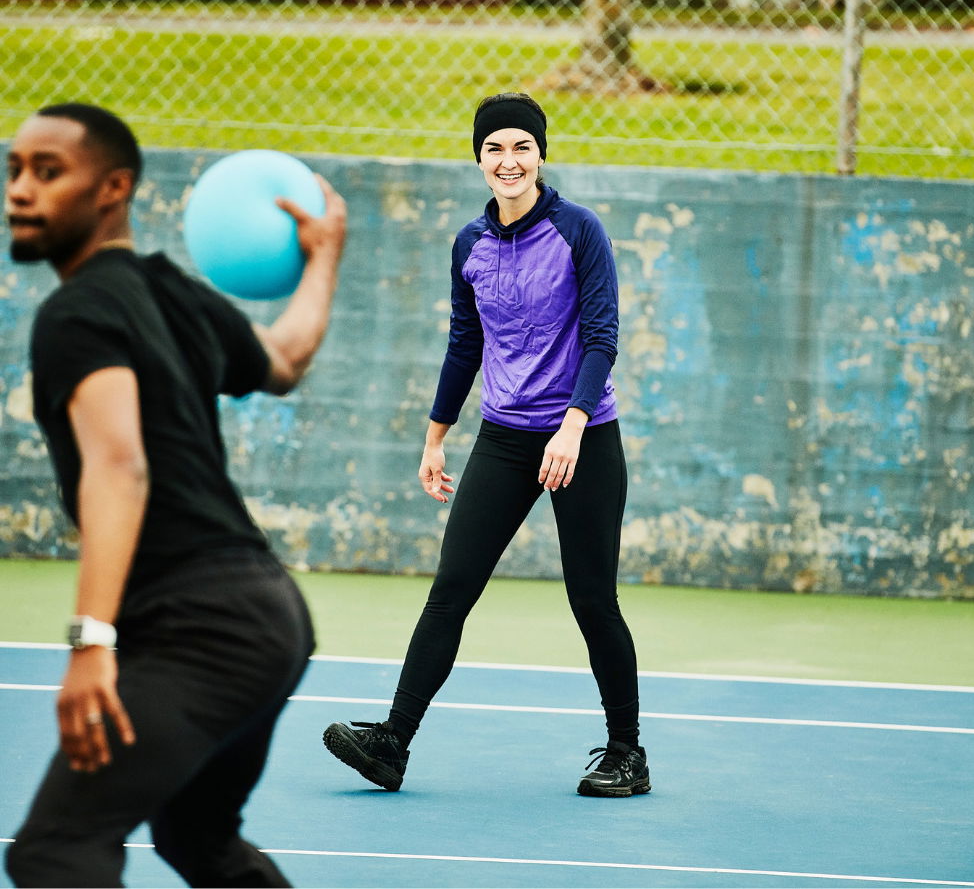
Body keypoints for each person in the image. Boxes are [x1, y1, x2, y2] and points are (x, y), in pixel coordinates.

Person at [3, 103, 346, 887]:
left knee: (57, 850)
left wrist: (91, 643)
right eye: (15, 170)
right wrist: (324, 257)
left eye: (48, 172)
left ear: (113, 188)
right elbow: (285, 357)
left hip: (204, 629)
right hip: (267, 615)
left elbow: (119, 467)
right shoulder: (174, 295)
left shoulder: (77, 313)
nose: (21, 190)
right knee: (197, 839)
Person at [323, 91, 649, 798]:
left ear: (540, 155)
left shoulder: (578, 231)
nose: (508, 160)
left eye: (520, 147)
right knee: (450, 591)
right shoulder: (469, 244)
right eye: (494, 148)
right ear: (478, 159)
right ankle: (391, 744)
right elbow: (464, 343)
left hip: (582, 437)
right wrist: (434, 438)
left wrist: (570, 425)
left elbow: (601, 337)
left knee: (592, 599)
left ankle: (627, 752)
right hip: (502, 439)